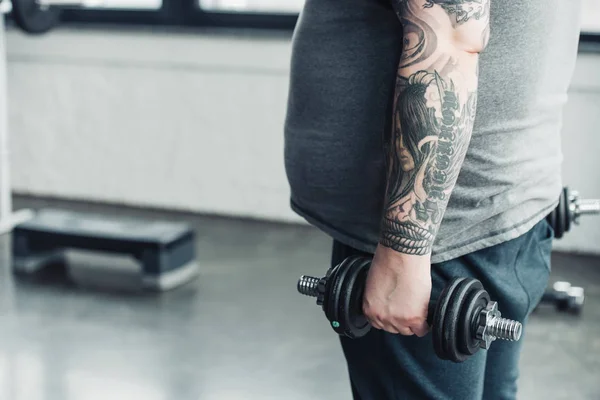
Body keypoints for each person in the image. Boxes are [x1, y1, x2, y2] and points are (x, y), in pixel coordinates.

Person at [284, 0, 583, 399]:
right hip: (505, 203)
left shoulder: (416, 245)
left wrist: (403, 254)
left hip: (431, 237)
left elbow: (450, 35)